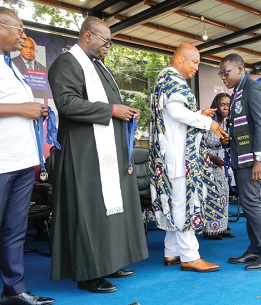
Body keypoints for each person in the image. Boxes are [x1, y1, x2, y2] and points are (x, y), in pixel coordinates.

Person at [48, 16, 149, 292]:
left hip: (105, 151)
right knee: (88, 210)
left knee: (108, 210)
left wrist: (124, 110)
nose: (109, 46)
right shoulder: (67, 63)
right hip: (84, 153)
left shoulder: (99, 66)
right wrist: (112, 111)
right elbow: (67, 103)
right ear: (88, 36)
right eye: (106, 41)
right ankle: (88, 273)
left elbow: (108, 103)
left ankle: (109, 262)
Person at [150, 43, 226, 273]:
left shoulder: (166, 78)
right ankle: (190, 256)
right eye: (195, 62)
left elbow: (175, 116)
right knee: (182, 204)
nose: (196, 68)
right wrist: (207, 122)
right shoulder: (172, 79)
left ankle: (172, 252)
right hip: (178, 156)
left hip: (171, 155)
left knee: (175, 202)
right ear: (181, 58)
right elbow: (175, 112)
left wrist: (197, 114)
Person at [0, 7, 55, 305]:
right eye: (18, 29)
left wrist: (36, 111)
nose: (23, 36)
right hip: (1, 163)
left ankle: (13, 290)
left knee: (15, 230)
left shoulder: (12, 67)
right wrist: (22, 109)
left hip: (22, 162)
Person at [220, 53, 261, 270]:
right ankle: (256, 247)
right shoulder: (239, 90)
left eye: (225, 72)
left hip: (252, 159)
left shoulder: (253, 88)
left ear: (239, 69)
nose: (222, 77)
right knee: (248, 204)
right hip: (242, 157)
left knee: (252, 203)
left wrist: (260, 159)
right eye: (220, 73)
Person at [202, 93, 235, 240]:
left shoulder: (228, 122)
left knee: (223, 193)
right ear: (216, 105)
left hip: (221, 163)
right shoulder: (207, 122)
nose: (226, 107)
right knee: (211, 195)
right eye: (222, 104)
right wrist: (211, 157)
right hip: (206, 163)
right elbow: (198, 145)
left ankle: (222, 227)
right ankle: (210, 229)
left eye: (228, 104)